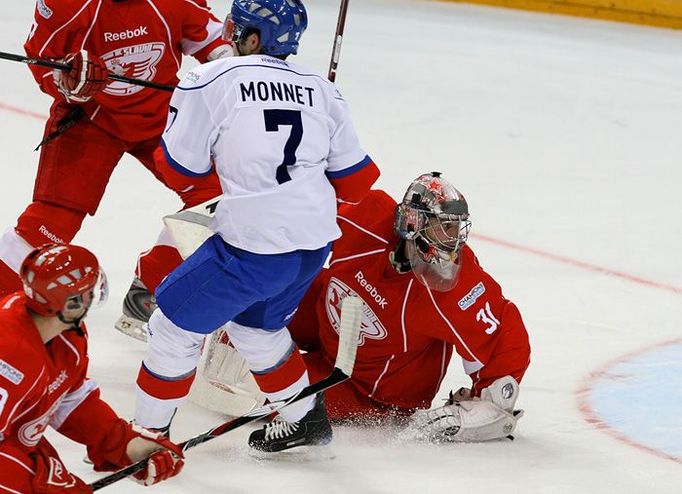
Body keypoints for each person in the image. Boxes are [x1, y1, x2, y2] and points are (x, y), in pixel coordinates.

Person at [133, 0, 380, 454]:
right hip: (311, 245)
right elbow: (357, 182)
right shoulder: (322, 90)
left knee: (170, 327)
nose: (228, 36)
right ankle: (304, 418)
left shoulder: (209, 80)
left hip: (252, 247)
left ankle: (147, 439)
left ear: (251, 39)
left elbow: (179, 171)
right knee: (256, 329)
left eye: (237, 29)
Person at [0, 0, 234, 340]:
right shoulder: (68, 5)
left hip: (161, 119)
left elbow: (214, 45)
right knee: (53, 220)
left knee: (221, 195)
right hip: (90, 121)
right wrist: (65, 79)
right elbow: (42, 59)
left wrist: (235, 71)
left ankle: (150, 290)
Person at [0, 243, 184, 493]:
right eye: (90, 291)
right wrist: (36, 486)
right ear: (72, 304)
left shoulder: (67, 336)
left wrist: (126, 445)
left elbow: (70, 400)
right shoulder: (8, 352)